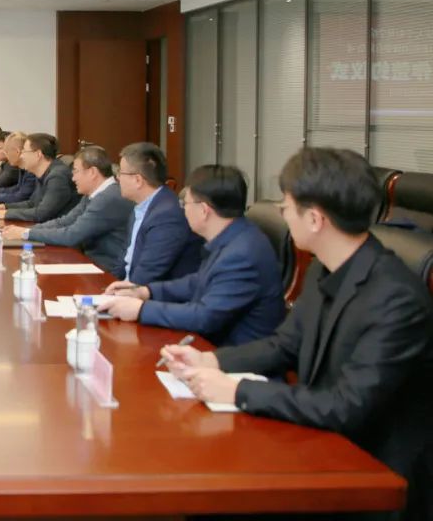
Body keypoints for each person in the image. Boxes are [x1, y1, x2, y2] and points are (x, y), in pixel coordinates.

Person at [164, 148, 433, 519]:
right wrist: (211, 360)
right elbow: (284, 345)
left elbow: (346, 406)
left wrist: (238, 391)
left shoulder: (396, 298)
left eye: (286, 206)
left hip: (374, 475)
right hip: (321, 439)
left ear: (315, 219)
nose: (282, 214)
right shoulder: (327, 268)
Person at [98, 165, 285, 347]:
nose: (182, 210)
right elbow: (198, 282)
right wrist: (146, 291)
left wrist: (140, 310)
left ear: (204, 210)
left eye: (184, 204)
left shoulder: (241, 254)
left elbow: (205, 317)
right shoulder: (234, 236)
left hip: (230, 355)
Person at [4, 145, 132, 276]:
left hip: (106, 272)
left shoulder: (108, 198)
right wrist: (25, 230)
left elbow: (71, 235)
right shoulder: (94, 193)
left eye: (76, 171)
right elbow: (64, 221)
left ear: (92, 172)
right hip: (89, 262)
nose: (73, 178)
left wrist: (26, 233)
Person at [116, 142, 201, 284]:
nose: (117, 177)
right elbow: (125, 259)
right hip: (127, 288)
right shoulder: (141, 207)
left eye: (121, 173)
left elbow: (148, 272)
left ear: (137, 180)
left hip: (150, 293)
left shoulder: (167, 215)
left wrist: (120, 293)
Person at [0, 133, 78, 223]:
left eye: (24, 151)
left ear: (38, 154)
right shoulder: (44, 172)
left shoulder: (57, 176)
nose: (21, 155)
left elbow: (41, 214)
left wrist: (5, 213)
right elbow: (32, 203)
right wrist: (2, 207)